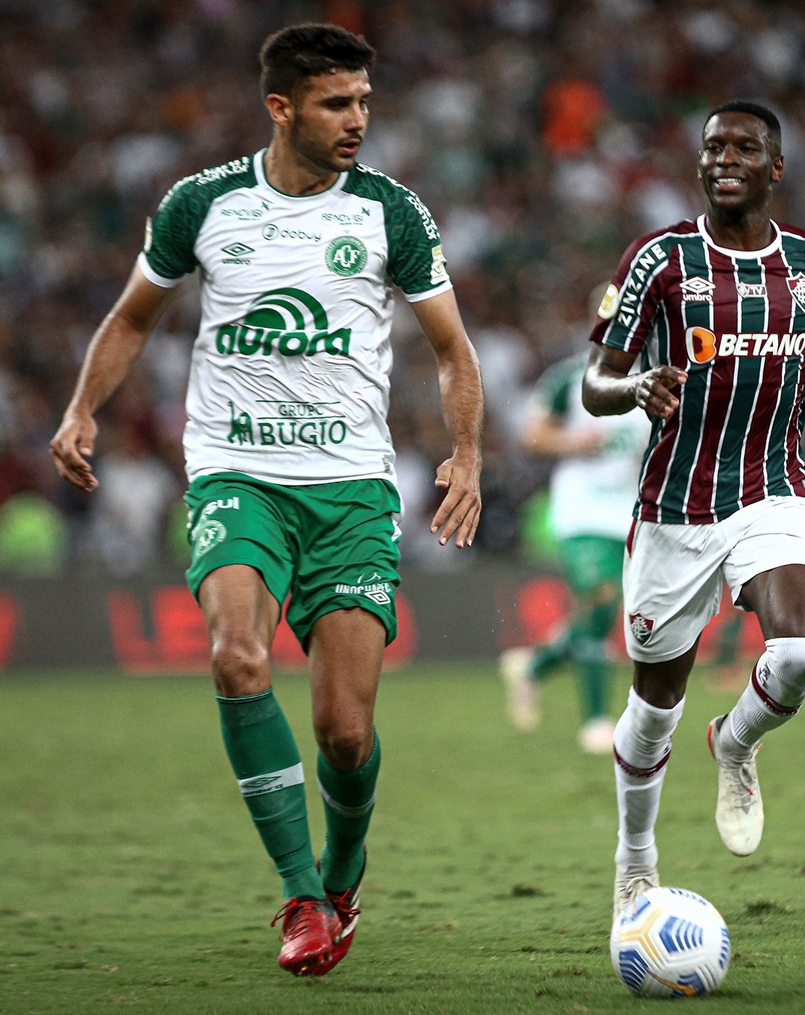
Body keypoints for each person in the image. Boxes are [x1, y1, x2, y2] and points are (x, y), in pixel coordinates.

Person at [48, 23, 483, 977]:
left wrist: (467, 452)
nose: (357, 120)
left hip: (352, 495)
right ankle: (300, 894)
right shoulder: (201, 204)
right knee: (235, 654)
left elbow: (453, 348)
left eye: (365, 101)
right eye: (337, 103)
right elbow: (130, 318)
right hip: (236, 477)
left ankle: (344, 866)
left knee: (346, 729)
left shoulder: (390, 213)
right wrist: (83, 408)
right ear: (280, 107)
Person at [580, 100, 805, 916]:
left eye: (745, 147)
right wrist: (634, 384)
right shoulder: (661, 260)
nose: (725, 158)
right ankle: (635, 856)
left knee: (804, 653)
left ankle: (734, 741)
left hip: (772, 489)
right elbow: (593, 381)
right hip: (675, 507)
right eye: (713, 147)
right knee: (651, 710)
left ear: (775, 168)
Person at [499, 348, 650, 754]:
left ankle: (532, 667)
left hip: (635, 512)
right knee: (599, 597)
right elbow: (533, 435)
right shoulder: (570, 376)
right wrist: (574, 442)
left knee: (602, 616)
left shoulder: (657, 376)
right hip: (581, 510)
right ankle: (596, 721)